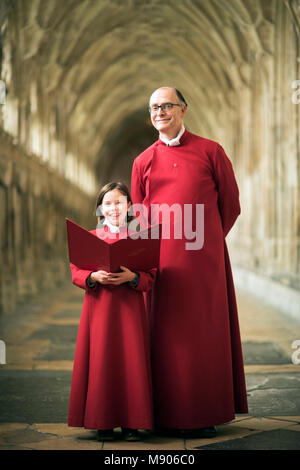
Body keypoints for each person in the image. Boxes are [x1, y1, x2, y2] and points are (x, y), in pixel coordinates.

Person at [131, 87, 248, 437]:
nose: (160, 111)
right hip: (161, 268)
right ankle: (162, 413)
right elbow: (139, 219)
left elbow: (230, 205)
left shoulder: (211, 151)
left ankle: (203, 413)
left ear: (183, 109)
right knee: (163, 337)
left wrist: (206, 241)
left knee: (203, 337)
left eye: (167, 105)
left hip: (203, 265)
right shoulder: (142, 161)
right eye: (154, 106)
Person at [68, 181, 156, 441]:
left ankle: (132, 422)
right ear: (99, 209)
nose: (113, 208)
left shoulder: (141, 238)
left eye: (119, 202)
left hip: (129, 312)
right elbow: (76, 271)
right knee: (101, 360)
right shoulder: (90, 238)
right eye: (107, 203)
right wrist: (93, 275)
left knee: (131, 362)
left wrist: (133, 276)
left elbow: (151, 276)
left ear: (129, 206)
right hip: (100, 312)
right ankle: (103, 422)